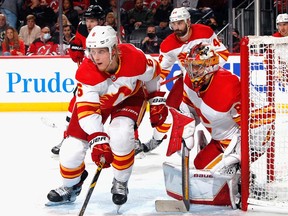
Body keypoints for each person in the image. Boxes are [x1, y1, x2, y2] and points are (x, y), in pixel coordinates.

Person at [46, 25, 166, 207]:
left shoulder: (134, 58)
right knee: (71, 150)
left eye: (101, 51)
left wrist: (155, 98)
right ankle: (72, 186)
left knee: (121, 134)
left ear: (115, 50)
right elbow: (87, 111)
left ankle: (120, 181)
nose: (95, 57)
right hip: (99, 106)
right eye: (92, 51)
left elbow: (153, 74)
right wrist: (98, 139)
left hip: (129, 97)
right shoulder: (87, 72)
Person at [137, 7, 229, 153]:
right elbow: (161, 71)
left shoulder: (205, 32)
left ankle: (221, 142)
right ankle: (157, 139)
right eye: (173, 24)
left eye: (179, 23)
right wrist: (148, 85)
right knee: (167, 108)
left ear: (188, 22)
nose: (176, 28)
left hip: (211, 79)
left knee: (216, 113)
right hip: (187, 81)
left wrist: (205, 70)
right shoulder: (168, 44)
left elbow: (223, 54)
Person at [50, 4, 106, 155]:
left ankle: (131, 140)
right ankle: (67, 138)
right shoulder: (82, 29)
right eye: (87, 20)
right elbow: (76, 55)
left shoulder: (109, 34)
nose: (89, 24)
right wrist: (74, 48)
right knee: (73, 108)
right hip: (88, 81)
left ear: (101, 21)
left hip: (108, 82)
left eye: (92, 20)